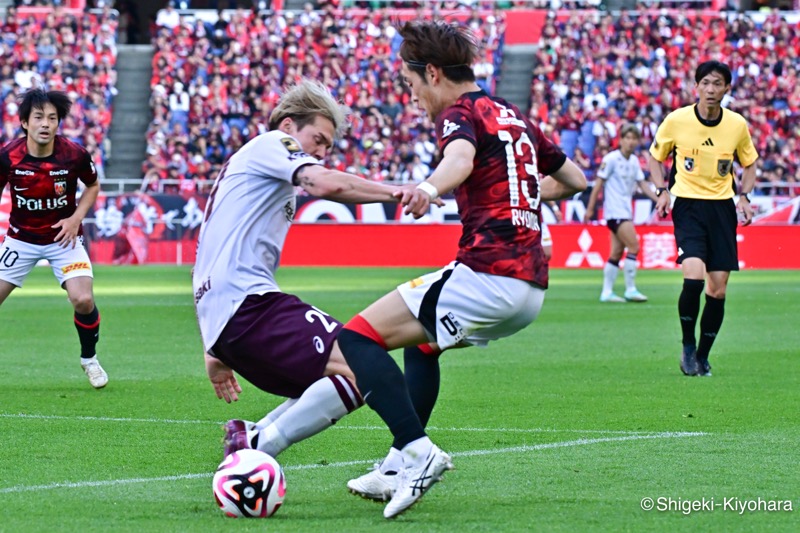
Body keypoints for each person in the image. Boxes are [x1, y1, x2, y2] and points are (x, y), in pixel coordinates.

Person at [336, 21, 587, 519]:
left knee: (355, 338)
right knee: (422, 346)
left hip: (488, 276)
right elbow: (575, 179)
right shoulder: (512, 115)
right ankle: (394, 466)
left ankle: (417, 452)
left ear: (432, 73)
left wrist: (429, 188)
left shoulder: (460, 113)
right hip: (529, 291)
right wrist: (523, 192)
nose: (412, 97)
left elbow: (460, 159)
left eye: (411, 83)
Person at [193, 80, 406, 460]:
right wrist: (400, 191)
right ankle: (255, 446)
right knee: (364, 363)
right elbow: (325, 183)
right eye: (318, 140)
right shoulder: (273, 143)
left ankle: (251, 436)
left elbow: (208, 252)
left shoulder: (250, 170)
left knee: (342, 372)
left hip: (229, 315)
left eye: (328, 147)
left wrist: (213, 347)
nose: (321, 152)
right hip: (249, 304)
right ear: (289, 125)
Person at [648, 61, 758, 377]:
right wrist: (661, 191)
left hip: (722, 209)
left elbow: (749, 163)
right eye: (705, 83)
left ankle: (703, 355)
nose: (710, 89)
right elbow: (655, 157)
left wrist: (744, 196)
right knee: (694, 278)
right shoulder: (676, 120)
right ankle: (687, 344)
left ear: (727, 89)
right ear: (696, 86)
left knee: (718, 289)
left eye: (717, 84)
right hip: (688, 206)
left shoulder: (736, 125)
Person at [0, 88, 107, 388]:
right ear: (25, 122)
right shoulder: (8, 157)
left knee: (83, 299)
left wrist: (75, 219)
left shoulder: (74, 154)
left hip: (63, 239)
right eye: (38, 117)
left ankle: (90, 359)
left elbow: (93, 186)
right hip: (21, 239)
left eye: (52, 118)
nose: (45, 124)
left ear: (59, 122)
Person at [584, 124, 658, 302]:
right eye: (628, 138)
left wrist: (659, 199)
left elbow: (643, 185)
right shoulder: (611, 159)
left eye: (634, 138)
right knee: (634, 247)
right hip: (615, 212)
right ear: (621, 140)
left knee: (616, 253)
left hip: (625, 211)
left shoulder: (634, 161)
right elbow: (598, 185)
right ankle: (630, 289)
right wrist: (590, 208)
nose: (631, 142)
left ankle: (606, 292)